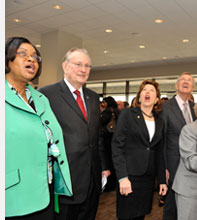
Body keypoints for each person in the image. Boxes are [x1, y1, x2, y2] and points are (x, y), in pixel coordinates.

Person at [5, 37, 72, 219]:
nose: (31, 59)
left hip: (46, 190)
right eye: (23, 54)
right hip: (14, 196)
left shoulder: (41, 99)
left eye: (35, 57)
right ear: (7, 60)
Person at [39, 48, 110, 220]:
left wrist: (104, 167)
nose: (83, 69)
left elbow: (96, 136)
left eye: (87, 66)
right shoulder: (47, 94)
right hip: (64, 181)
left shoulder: (93, 97)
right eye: (78, 64)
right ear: (65, 66)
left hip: (92, 179)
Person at [112, 80, 168, 220]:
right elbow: (117, 146)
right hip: (129, 176)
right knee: (126, 216)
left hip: (148, 179)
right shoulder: (127, 114)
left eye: (151, 90)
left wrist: (162, 180)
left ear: (156, 99)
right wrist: (122, 177)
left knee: (140, 216)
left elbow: (159, 153)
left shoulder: (159, 122)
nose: (147, 92)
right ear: (139, 96)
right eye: (144, 90)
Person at [160, 72, 196, 220]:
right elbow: (161, 139)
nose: (186, 82)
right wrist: (164, 167)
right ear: (176, 85)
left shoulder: (195, 107)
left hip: (193, 164)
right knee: (172, 205)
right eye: (183, 79)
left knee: (189, 203)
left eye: (189, 80)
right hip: (173, 164)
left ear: (192, 87)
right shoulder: (165, 107)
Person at [101, 96, 120, 191]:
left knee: (107, 160)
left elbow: (101, 122)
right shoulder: (118, 111)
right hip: (116, 138)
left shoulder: (107, 111)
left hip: (107, 138)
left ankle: (109, 184)